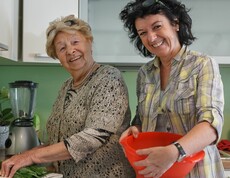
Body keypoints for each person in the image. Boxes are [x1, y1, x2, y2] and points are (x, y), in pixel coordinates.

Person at [0, 14, 135, 178]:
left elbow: (94, 136)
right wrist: (21, 158)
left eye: (75, 42)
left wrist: (30, 156)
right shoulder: (66, 87)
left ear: (89, 43)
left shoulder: (109, 78)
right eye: (62, 48)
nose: (70, 51)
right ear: (57, 57)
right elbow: (58, 142)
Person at [119, 0, 225, 177]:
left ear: (175, 24)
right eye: (143, 33)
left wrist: (174, 152)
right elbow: (141, 120)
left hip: (196, 171)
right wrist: (134, 129)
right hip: (156, 172)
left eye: (157, 27)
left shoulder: (202, 65)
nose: (151, 38)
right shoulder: (145, 73)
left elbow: (211, 125)